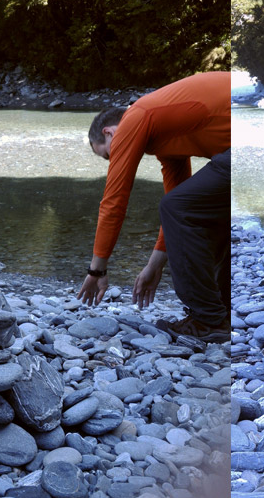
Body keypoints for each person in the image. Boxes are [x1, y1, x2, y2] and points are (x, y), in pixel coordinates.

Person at [79, 70, 231, 343]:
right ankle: (222, 313)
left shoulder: (135, 118)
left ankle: (208, 319)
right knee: (199, 207)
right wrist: (154, 265)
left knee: (180, 207)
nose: (112, 161)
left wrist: (97, 270)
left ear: (110, 132)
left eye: (106, 155)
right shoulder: (164, 135)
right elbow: (180, 203)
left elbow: (114, 201)